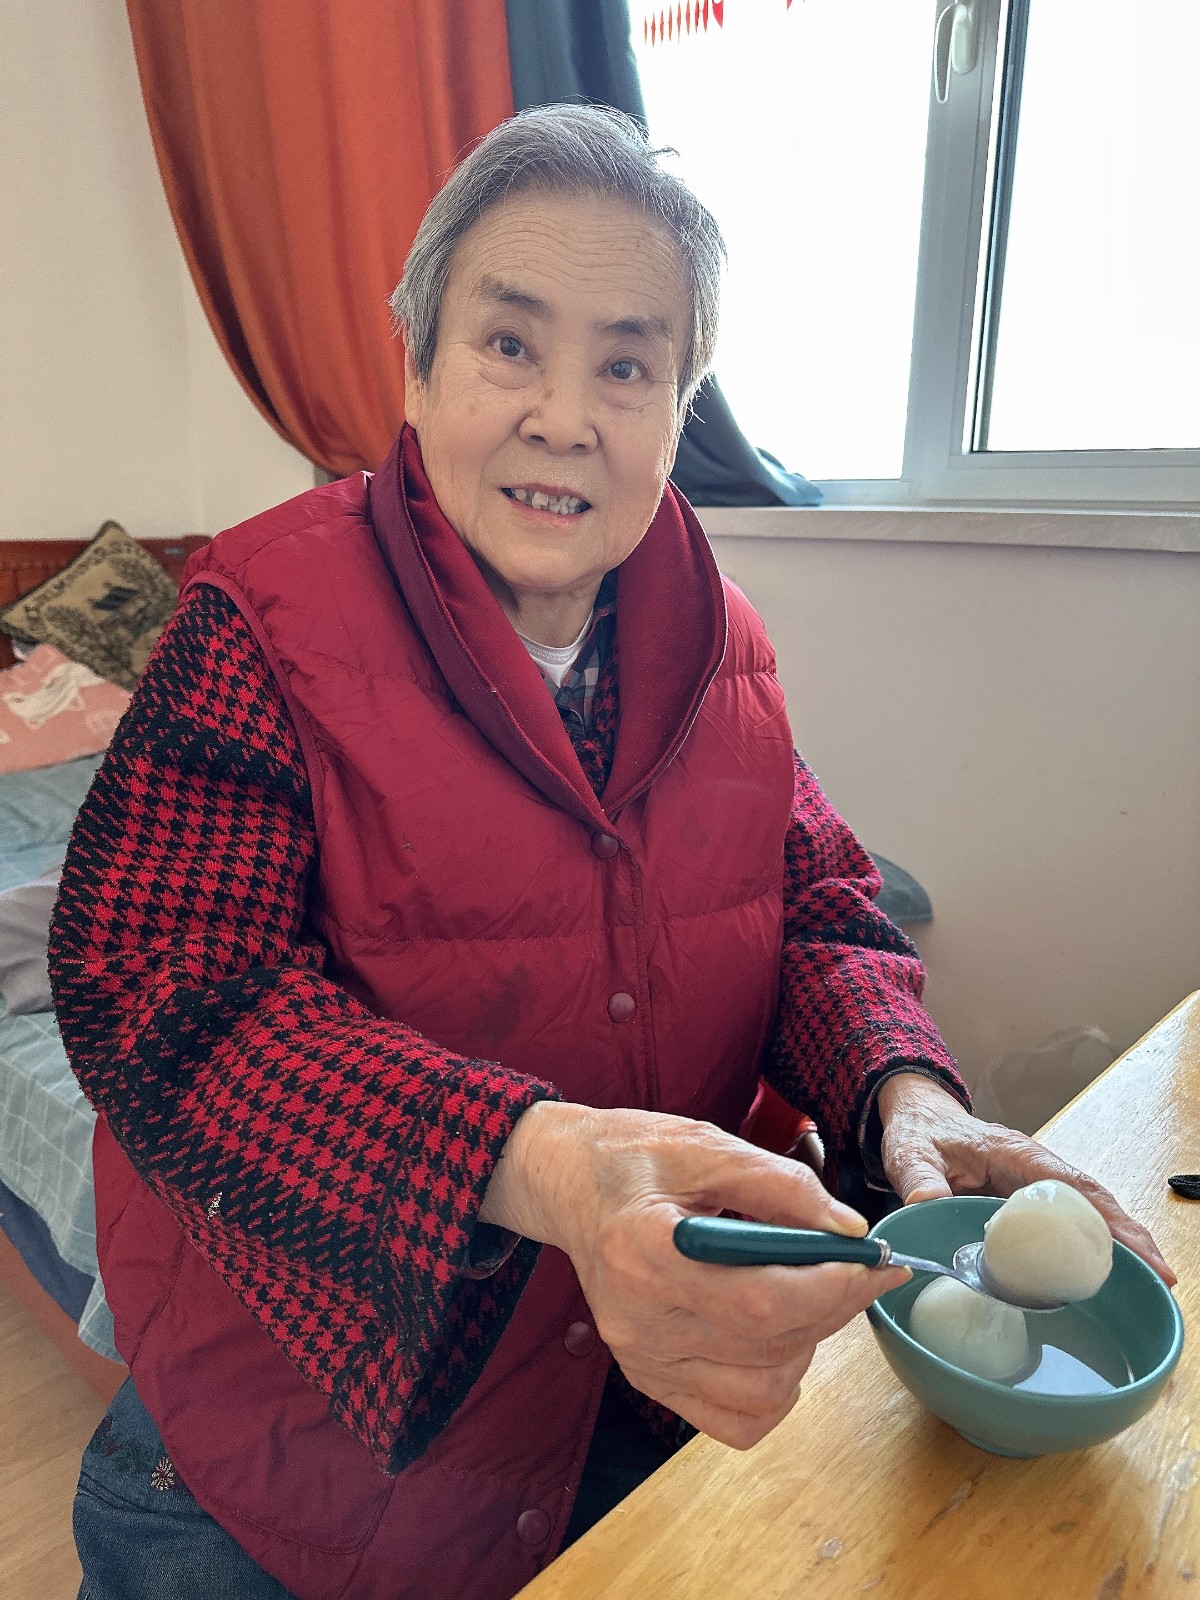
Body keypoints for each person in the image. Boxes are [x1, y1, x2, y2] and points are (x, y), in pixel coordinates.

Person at [50, 104, 1172, 1600]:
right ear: (418, 368)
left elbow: (818, 907)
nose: (565, 416)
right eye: (511, 344)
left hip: (624, 1416)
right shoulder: (255, 620)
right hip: (300, 1452)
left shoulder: (723, 647)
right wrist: (537, 1161)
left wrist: (903, 1094)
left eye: (628, 367)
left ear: (677, 409)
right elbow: (160, 1000)